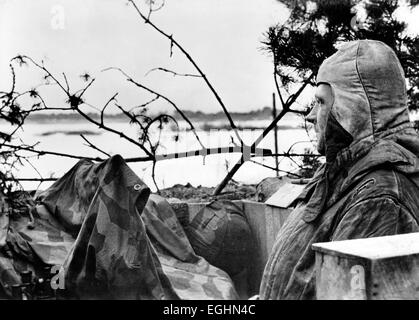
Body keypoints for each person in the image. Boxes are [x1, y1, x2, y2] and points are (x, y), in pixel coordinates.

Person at [259, 39, 419, 300]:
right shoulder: (349, 174)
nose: (311, 115)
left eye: (321, 102)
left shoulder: (379, 200)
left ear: (352, 107)